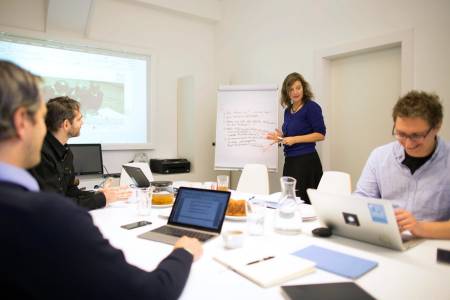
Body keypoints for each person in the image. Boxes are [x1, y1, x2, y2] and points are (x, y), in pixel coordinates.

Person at [0, 60, 203, 299]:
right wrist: (183, 252)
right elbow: (151, 294)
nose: (44, 130)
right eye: (40, 119)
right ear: (21, 121)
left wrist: (100, 196)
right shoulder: (47, 217)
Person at [354, 90, 450, 239]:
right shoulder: (380, 156)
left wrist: (419, 227)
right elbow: (361, 200)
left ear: (437, 126)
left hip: (433, 245)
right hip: (387, 239)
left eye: (416, 136)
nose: (408, 144)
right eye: (401, 134)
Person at [28, 96, 130, 209]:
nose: (82, 123)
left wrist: (99, 195)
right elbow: (56, 205)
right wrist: (102, 199)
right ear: (66, 124)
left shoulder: (66, 152)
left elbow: (70, 191)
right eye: (79, 119)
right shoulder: (41, 154)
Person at [267, 72, 326, 204]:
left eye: (298, 88)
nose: (295, 92)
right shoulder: (288, 111)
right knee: (289, 201)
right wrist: (281, 137)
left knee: (304, 203)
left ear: (303, 88)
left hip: (307, 163)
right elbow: (290, 136)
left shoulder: (312, 107)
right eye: (291, 89)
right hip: (290, 162)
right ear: (287, 92)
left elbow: (321, 134)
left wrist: (294, 139)